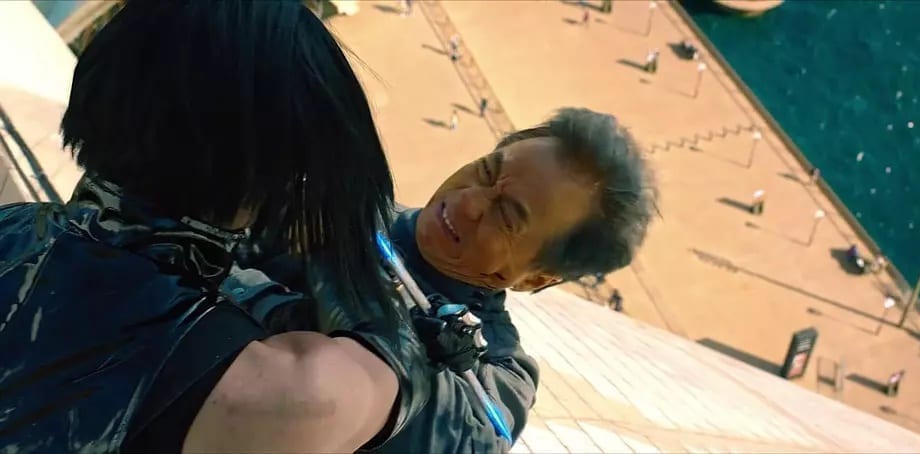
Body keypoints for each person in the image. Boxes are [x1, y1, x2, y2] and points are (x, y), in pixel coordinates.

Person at [0, 2, 431, 451]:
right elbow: (389, 368)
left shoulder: (14, 226)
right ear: (278, 176)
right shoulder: (263, 384)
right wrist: (341, 242)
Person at [232, 107, 658, 452]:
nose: (468, 203)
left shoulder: (496, 378)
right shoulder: (340, 200)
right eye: (486, 171)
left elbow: (454, 437)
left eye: (507, 217)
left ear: (535, 278)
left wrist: (329, 275)